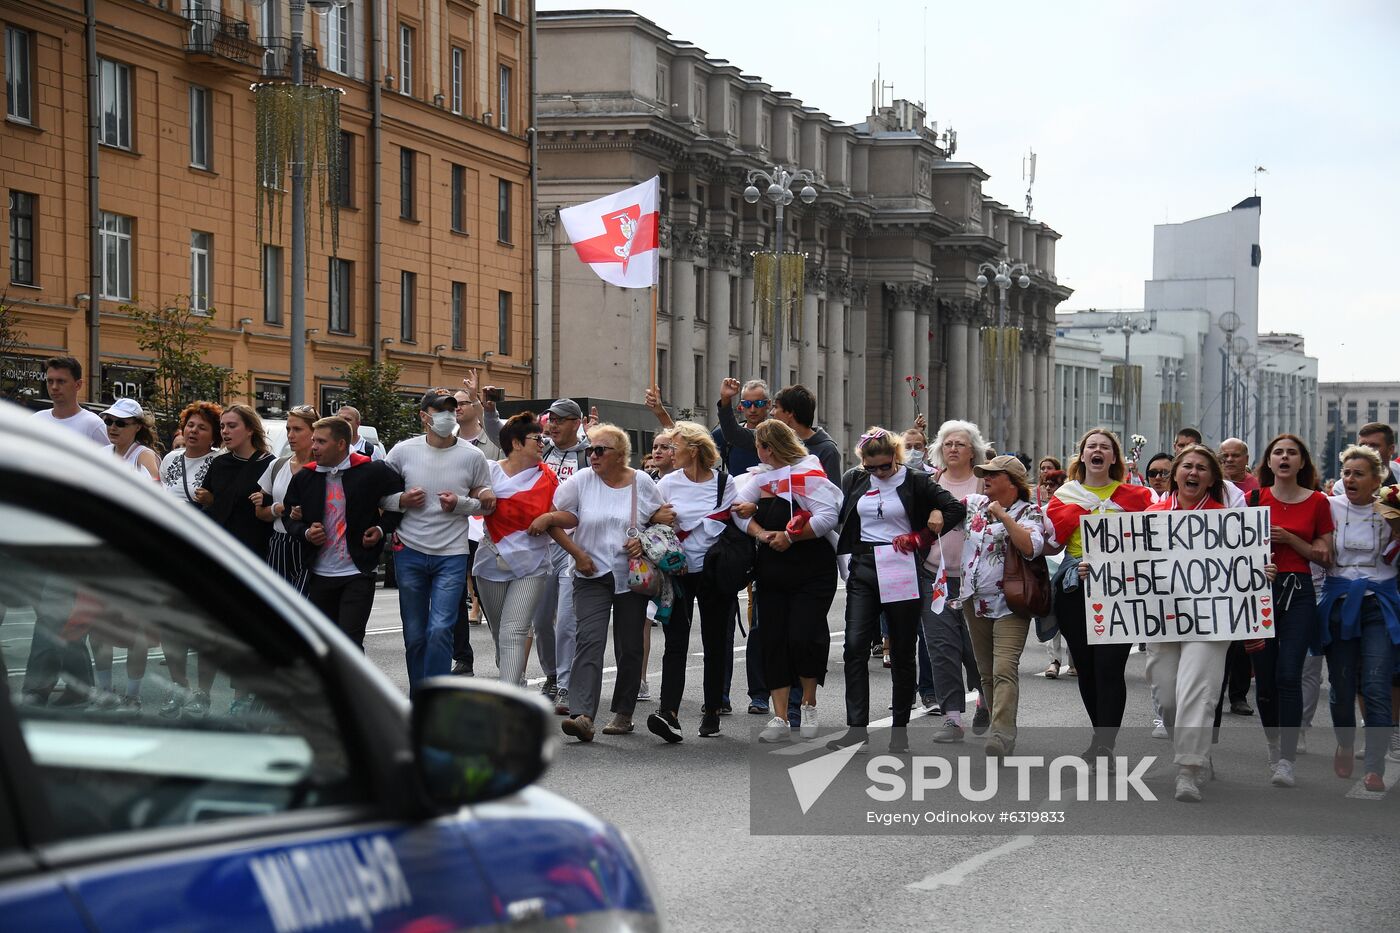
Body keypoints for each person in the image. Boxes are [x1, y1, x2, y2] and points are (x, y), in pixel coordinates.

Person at [1142, 445, 1272, 801]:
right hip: (1162, 618)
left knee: (1198, 691)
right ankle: (1193, 749)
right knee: (1167, 696)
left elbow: (1245, 567)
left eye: (1202, 467)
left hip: (1211, 619)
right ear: (1175, 474)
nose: (1193, 472)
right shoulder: (1149, 515)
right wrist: (1101, 569)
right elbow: (1127, 566)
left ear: (1212, 478)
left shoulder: (1227, 521)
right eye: (1187, 466)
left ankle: (1189, 767)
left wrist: (1260, 571)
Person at [530, 424, 672, 742]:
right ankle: (583, 715)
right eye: (589, 450)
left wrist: (644, 538)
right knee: (589, 641)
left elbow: (664, 518)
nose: (591, 456)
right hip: (589, 573)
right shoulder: (581, 482)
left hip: (631, 575)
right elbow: (557, 517)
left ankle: (623, 713)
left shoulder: (642, 483)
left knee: (630, 645)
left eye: (599, 450)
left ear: (620, 455)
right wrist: (577, 554)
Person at [829, 428, 966, 752]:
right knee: (855, 645)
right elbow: (838, 513)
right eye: (871, 467)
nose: (878, 473)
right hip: (864, 565)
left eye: (885, 467)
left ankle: (899, 731)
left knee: (903, 651)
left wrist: (923, 535)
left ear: (896, 458)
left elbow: (955, 509)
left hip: (900, 566)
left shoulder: (915, 480)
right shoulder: (854, 478)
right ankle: (856, 728)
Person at [1046, 428, 1156, 766]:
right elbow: (1052, 544)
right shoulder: (1065, 495)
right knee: (1088, 669)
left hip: (1119, 593)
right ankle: (1100, 735)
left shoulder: (1137, 497)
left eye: (1104, 447)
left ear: (1113, 458)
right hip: (1076, 590)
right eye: (1091, 446)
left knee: (1110, 669)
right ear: (1082, 456)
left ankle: (1105, 744)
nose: (1097, 450)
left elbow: (1154, 541)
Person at [732, 420, 843, 742]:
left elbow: (827, 517)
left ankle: (808, 703)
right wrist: (762, 533)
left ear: (769, 447)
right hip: (773, 569)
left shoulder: (809, 473)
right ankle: (780, 716)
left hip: (812, 569)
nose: (757, 452)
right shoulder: (761, 478)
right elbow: (737, 513)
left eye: (759, 446)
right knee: (773, 639)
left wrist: (790, 538)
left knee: (804, 636)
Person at [381, 390, 495, 694]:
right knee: (416, 633)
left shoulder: (472, 457)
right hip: (409, 551)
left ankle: (436, 697)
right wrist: (401, 499)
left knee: (441, 628)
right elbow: (380, 497)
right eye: (440, 410)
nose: (448, 416)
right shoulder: (403, 452)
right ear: (424, 416)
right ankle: (421, 696)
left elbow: (486, 502)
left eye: (452, 409)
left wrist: (460, 503)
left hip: (452, 553)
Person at [490, 396, 590, 709]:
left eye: (560, 420)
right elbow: (503, 437)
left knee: (566, 621)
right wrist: (490, 409)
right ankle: (550, 674)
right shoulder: (539, 449)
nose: (553, 425)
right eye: (551, 419)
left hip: (573, 540)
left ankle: (564, 683)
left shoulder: (589, 455)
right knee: (542, 619)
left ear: (576, 423)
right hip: (541, 546)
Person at [1250, 432, 1334, 787]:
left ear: (1302, 462)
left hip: (1298, 591)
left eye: (1292, 453)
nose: (1284, 458)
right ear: (1269, 462)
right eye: (1277, 453)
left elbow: (1325, 554)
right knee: (1265, 680)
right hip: (1259, 593)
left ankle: (1286, 759)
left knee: (1289, 674)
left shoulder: (1318, 501)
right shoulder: (1254, 498)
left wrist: (1289, 539)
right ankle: (1272, 744)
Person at [1317, 445, 1398, 793]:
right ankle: (1346, 742)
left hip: (1379, 604)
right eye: (1347, 473)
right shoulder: (1328, 507)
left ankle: (1375, 766)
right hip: (1339, 603)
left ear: (1377, 480)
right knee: (1341, 686)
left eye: (1358, 473)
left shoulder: (1392, 510)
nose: (1350, 479)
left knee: (1377, 685)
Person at [650, 422, 738, 740]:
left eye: (675, 447)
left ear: (695, 450)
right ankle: (668, 712)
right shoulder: (667, 483)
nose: (670, 453)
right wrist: (659, 518)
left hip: (715, 572)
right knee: (675, 642)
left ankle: (712, 709)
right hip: (677, 572)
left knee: (715, 642)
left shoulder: (725, 484)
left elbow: (735, 521)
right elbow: (652, 518)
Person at [284, 416, 405, 648]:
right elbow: (289, 517)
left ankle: (352, 685)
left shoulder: (372, 470)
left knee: (350, 642)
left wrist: (381, 529)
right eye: (313, 441)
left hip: (357, 571)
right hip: (319, 573)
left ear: (341, 444)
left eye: (321, 442)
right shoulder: (306, 476)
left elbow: (400, 503)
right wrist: (307, 532)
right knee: (324, 644)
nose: (314, 447)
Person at [958, 455, 1050, 757]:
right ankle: (1001, 726)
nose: (985, 478)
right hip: (975, 599)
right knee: (985, 672)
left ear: (1011, 481)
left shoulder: (1031, 512)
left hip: (1012, 602)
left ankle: (1001, 735)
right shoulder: (973, 504)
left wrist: (1005, 517)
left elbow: (1031, 547)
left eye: (992, 475)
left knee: (1004, 669)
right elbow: (940, 502)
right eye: (984, 474)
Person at [477, 413, 569, 687]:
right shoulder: (488, 471)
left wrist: (549, 518)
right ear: (516, 443)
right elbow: (466, 499)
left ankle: (510, 695)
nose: (543, 443)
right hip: (490, 562)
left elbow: (570, 516)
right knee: (500, 634)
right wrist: (480, 495)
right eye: (536, 439)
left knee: (514, 631)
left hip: (533, 565)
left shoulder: (549, 479)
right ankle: (512, 675)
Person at [920, 420, 989, 737]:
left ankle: (985, 699)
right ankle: (952, 718)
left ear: (973, 451)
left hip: (978, 581)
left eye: (960, 444)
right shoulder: (929, 482)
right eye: (947, 444)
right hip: (935, 578)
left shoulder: (984, 486)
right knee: (941, 646)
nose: (953, 449)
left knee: (975, 648)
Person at [255, 405, 318, 594]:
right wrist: (279, 509)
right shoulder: (277, 465)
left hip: (311, 544)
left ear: (314, 432)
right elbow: (260, 512)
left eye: (297, 429)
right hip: (280, 543)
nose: (291, 435)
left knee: (304, 606)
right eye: (288, 429)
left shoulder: (325, 468)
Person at [199, 405, 276, 559]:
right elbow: (210, 503)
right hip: (218, 547)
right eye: (222, 426)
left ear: (250, 430)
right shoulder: (219, 463)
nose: (225, 431)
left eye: (232, 426)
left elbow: (275, 508)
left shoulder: (269, 464)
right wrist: (207, 499)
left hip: (253, 552)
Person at [31, 356, 108, 445]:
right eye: (50, 381)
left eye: (61, 381)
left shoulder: (93, 426)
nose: (54, 387)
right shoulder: (35, 421)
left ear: (78, 385)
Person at [160, 401, 223, 506]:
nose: (194, 430)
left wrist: (212, 500)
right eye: (190, 425)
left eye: (202, 428)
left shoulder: (220, 460)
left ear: (214, 436)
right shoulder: (170, 458)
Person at [712, 377, 773, 475]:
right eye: (747, 404)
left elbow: (734, 433)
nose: (752, 409)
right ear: (741, 406)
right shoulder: (721, 434)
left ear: (768, 404)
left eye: (759, 403)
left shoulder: (776, 435)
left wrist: (725, 400)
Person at [98, 398, 162, 481]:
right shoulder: (102, 452)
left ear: (138, 427)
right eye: (108, 421)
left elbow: (154, 490)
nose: (112, 428)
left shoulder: (144, 455)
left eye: (120, 423)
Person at [1331, 422, 1400, 492]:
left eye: (1374, 446)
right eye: (1362, 445)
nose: (1366, 450)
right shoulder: (1341, 488)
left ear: (1390, 449)